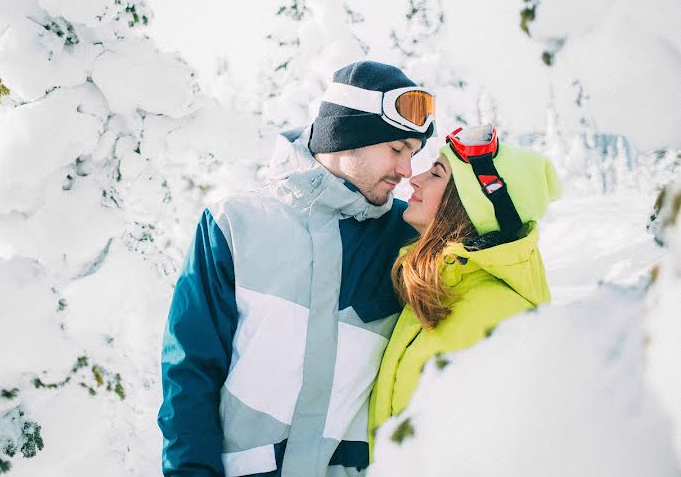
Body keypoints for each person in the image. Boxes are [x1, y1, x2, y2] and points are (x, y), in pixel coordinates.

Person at [158, 61, 436, 477]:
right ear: (348, 135)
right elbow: (190, 371)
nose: (405, 170)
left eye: (413, 154)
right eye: (397, 149)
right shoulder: (233, 224)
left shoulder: (408, 238)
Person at [367, 124, 561, 458]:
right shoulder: (445, 285)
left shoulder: (499, 315)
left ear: (469, 205)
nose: (415, 178)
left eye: (437, 174)